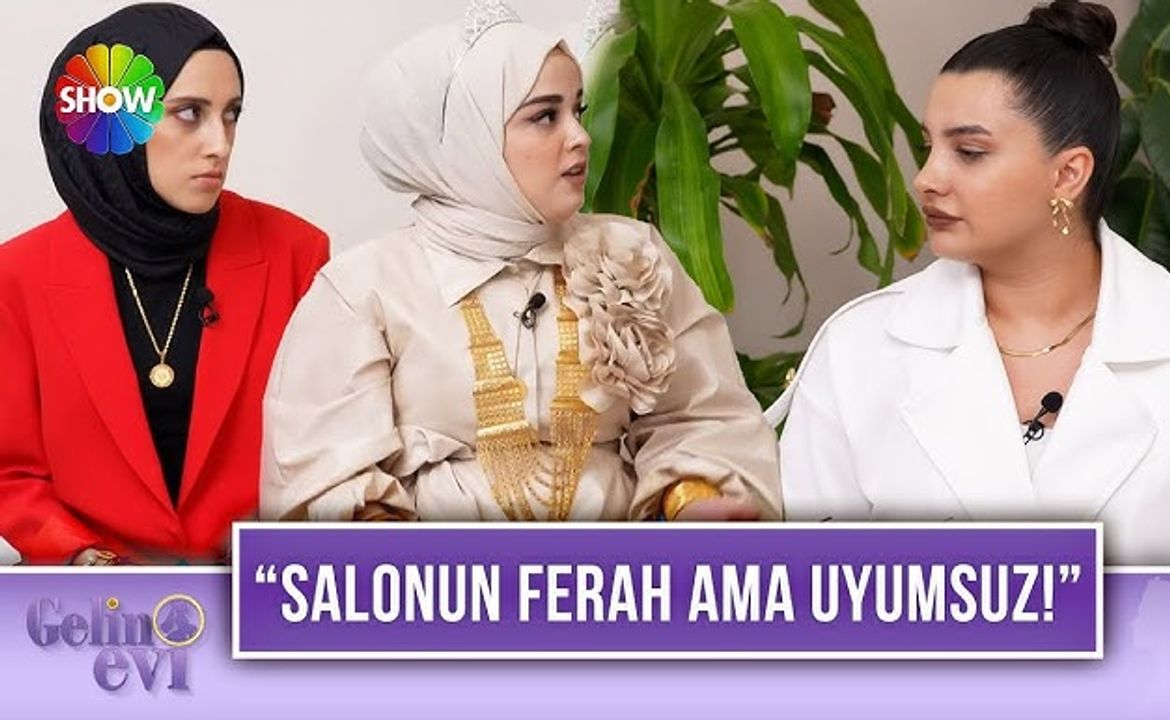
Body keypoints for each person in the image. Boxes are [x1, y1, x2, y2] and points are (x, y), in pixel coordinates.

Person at [777, 0, 1170, 564]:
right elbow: (806, 590)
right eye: (928, 147)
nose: (927, 178)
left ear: (1068, 174)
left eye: (969, 152)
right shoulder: (858, 349)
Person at [260, 4, 779, 523]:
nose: (581, 136)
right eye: (545, 117)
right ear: (471, 138)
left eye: (578, 110)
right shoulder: (364, 288)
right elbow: (328, 478)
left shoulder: (631, 253)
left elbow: (703, 417)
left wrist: (694, 501)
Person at [0, 4, 329, 564]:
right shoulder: (17, 276)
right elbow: (11, 472)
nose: (220, 143)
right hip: (93, 598)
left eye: (231, 114)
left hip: (257, 583)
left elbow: (328, 448)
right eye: (189, 113)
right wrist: (80, 558)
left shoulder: (297, 252)